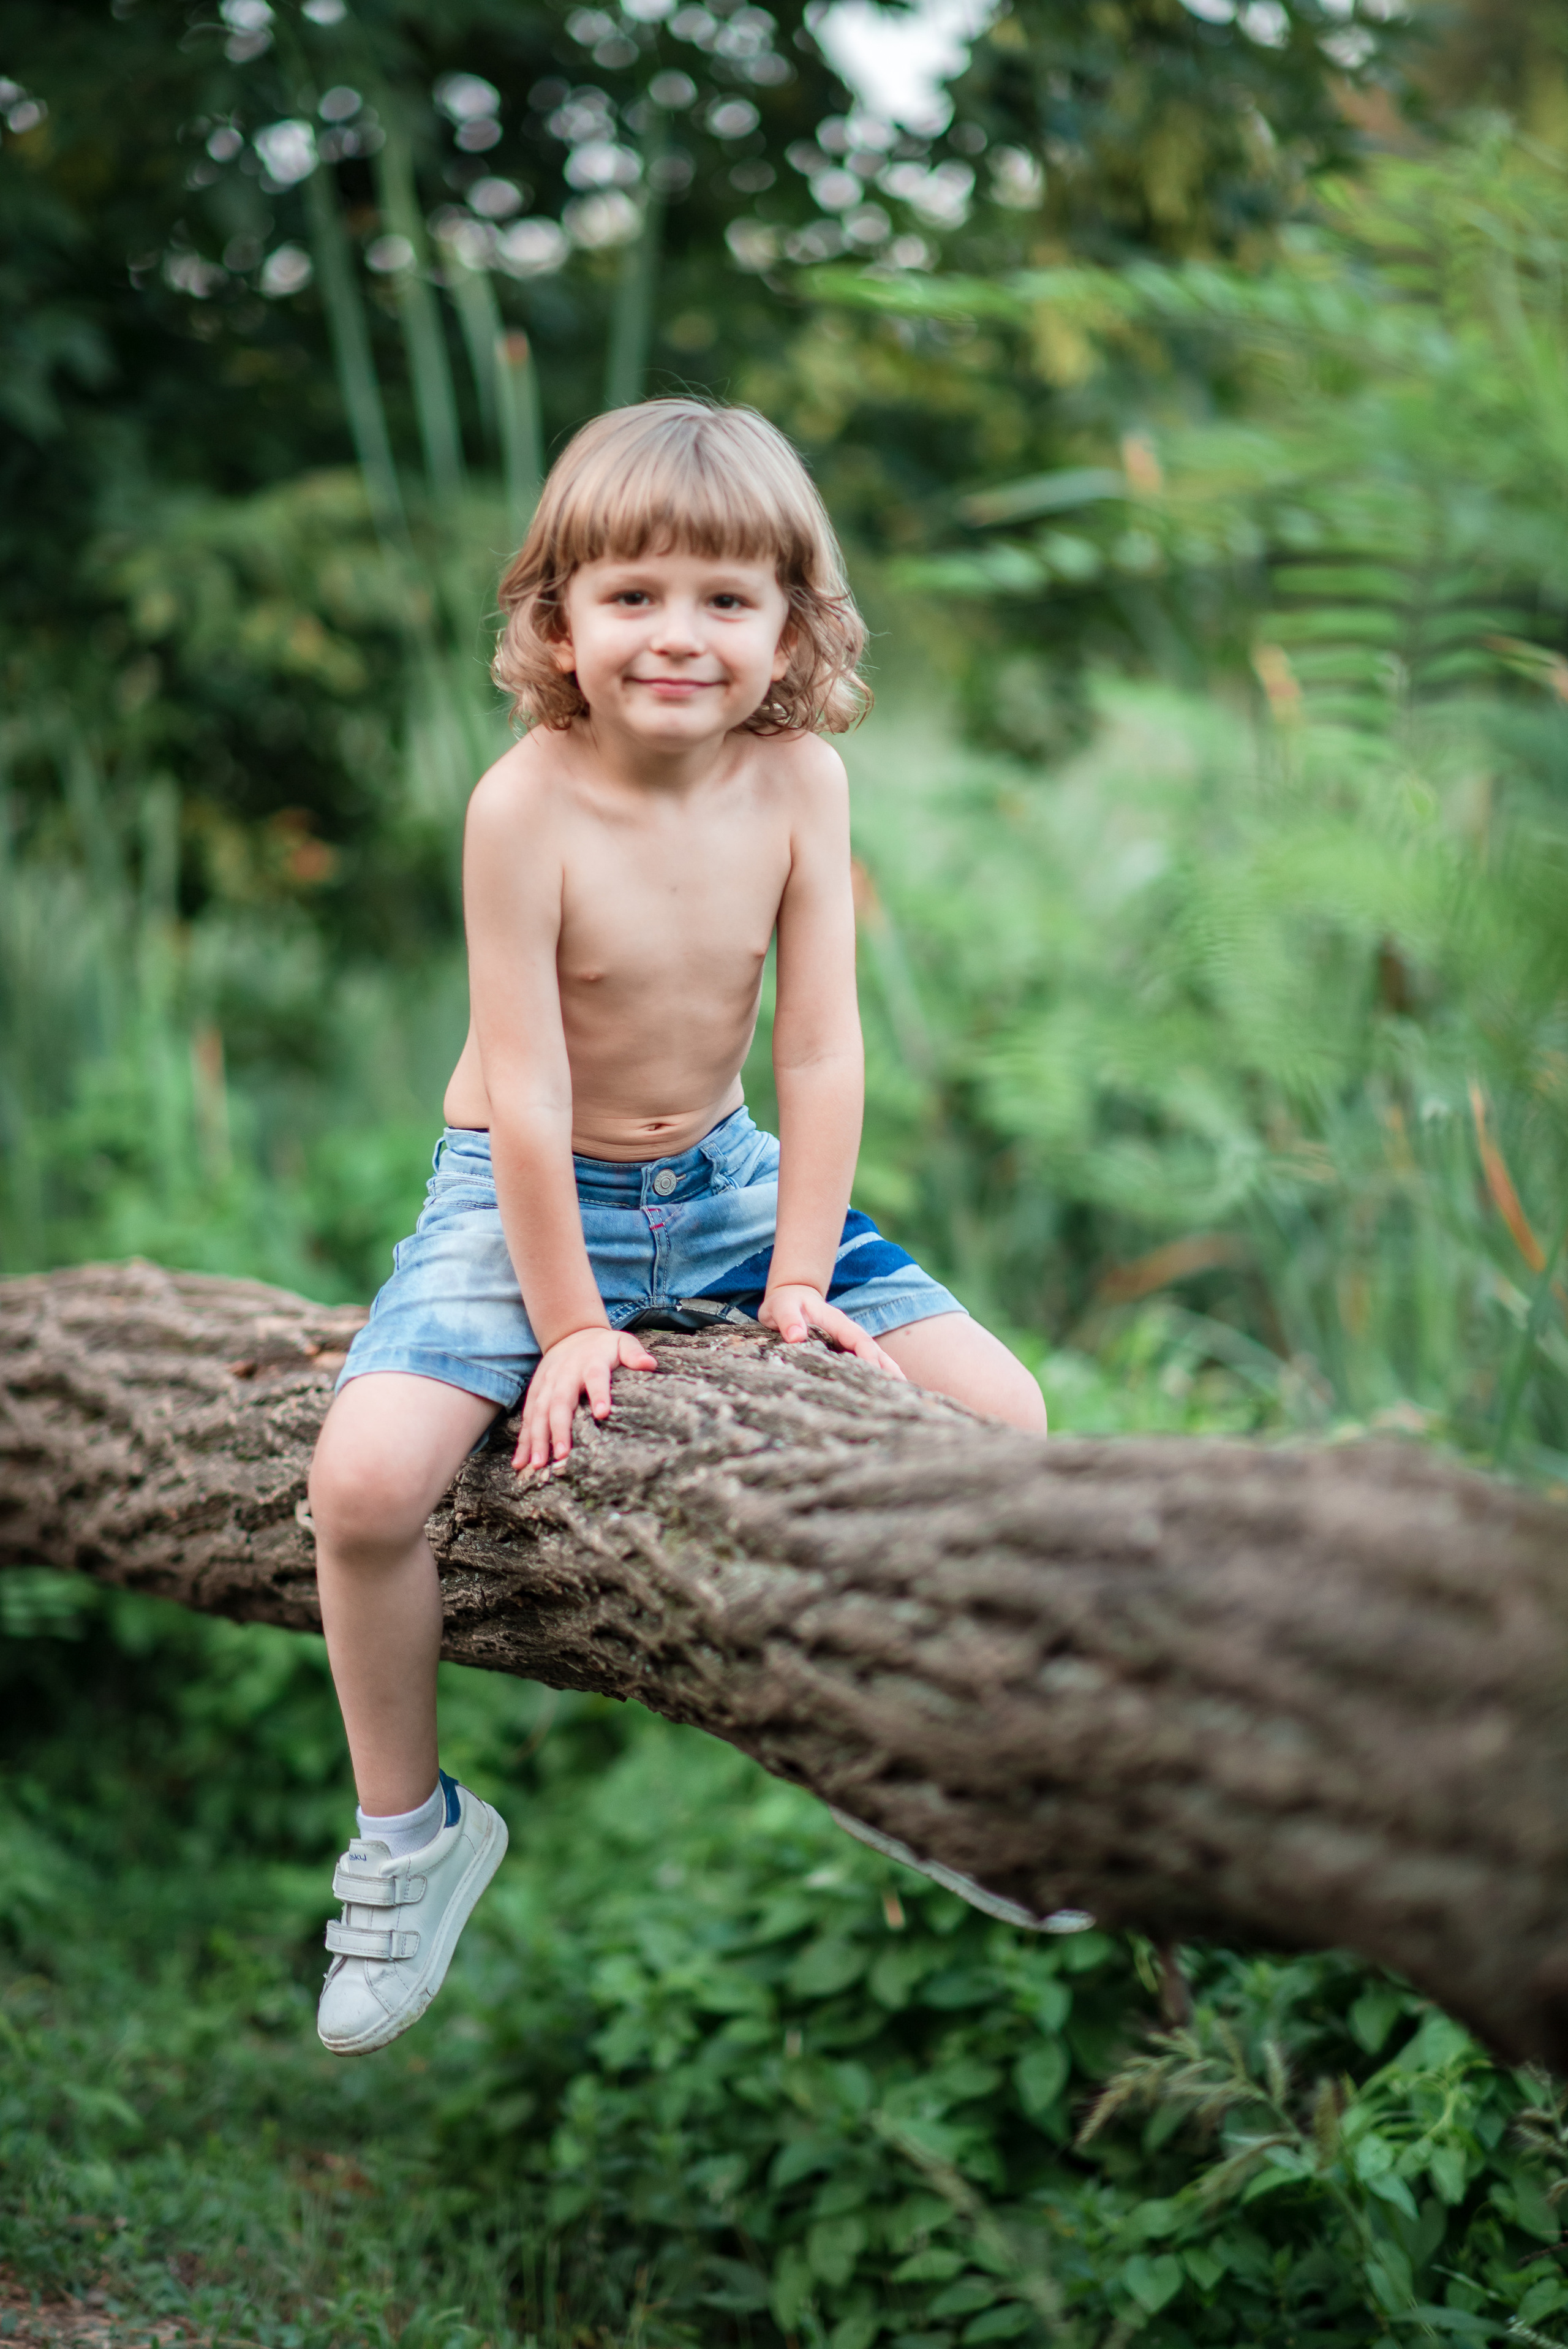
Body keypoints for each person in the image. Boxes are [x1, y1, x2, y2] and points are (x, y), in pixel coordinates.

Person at [306, 398, 1047, 2056]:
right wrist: (568, 1324)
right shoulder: (527, 805)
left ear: (794, 619)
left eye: (727, 597)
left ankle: (946, 1769)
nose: (679, 634)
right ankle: (407, 1835)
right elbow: (530, 1092)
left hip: (724, 1187)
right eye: (633, 593)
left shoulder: (802, 778)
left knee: (1007, 1416)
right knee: (360, 1483)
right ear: (556, 616)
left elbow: (820, 1043)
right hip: (522, 1196)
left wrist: (795, 1269)